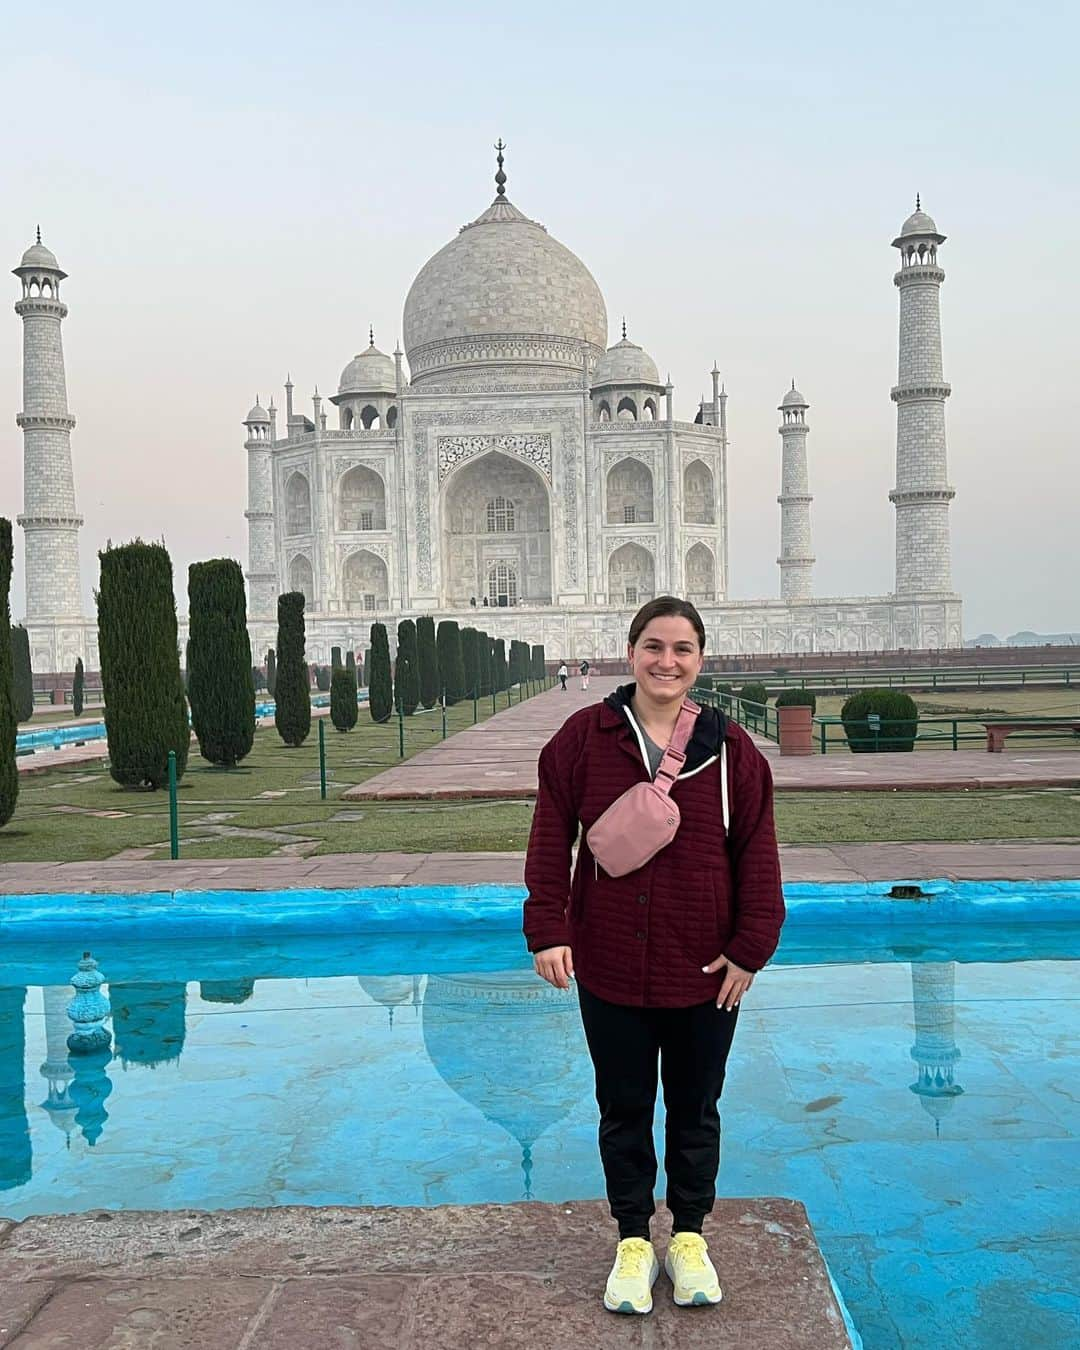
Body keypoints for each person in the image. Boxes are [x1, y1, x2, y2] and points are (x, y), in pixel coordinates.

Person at [523, 596, 784, 1317]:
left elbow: (756, 856)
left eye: (682, 649)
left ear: (701, 660)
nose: (666, 662)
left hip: (703, 969)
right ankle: (634, 1240)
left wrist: (749, 950)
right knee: (625, 1106)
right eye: (654, 647)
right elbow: (551, 841)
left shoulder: (732, 752)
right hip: (608, 963)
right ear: (630, 651)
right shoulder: (584, 739)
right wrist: (548, 929)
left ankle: (690, 1235)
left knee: (696, 1108)